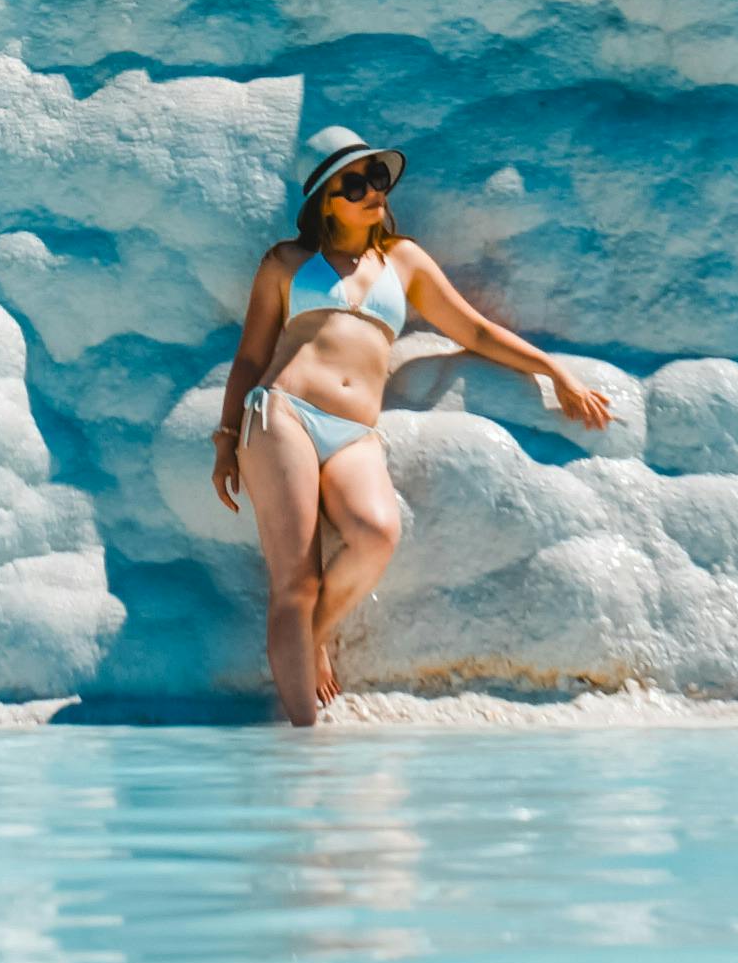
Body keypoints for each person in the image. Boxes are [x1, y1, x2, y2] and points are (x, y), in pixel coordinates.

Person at [217, 128, 615, 726]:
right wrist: (226, 440)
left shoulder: (402, 260)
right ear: (325, 200)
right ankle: (300, 740)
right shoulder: (286, 262)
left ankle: (311, 639)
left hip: (354, 431)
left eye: (377, 177)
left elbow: (473, 330)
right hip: (283, 415)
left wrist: (552, 370)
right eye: (353, 183)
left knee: (377, 532)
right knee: (296, 582)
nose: (372, 190)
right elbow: (251, 357)